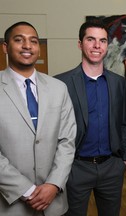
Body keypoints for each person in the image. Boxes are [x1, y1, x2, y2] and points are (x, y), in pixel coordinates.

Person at [55, 20, 126, 216]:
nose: (97, 46)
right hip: (75, 168)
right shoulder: (61, 83)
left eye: (103, 41)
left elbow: (124, 122)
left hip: (111, 168)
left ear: (107, 45)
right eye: (91, 39)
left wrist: (124, 159)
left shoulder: (118, 83)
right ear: (80, 44)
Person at [0, 21, 76, 216]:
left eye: (33, 41)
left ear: (38, 49)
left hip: (54, 202)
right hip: (10, 204)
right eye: (19, 40)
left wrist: (53, 184)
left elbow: (67, 141)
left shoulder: (58, 88)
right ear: (5, 47)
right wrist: (26, 190)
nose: (27, 46)